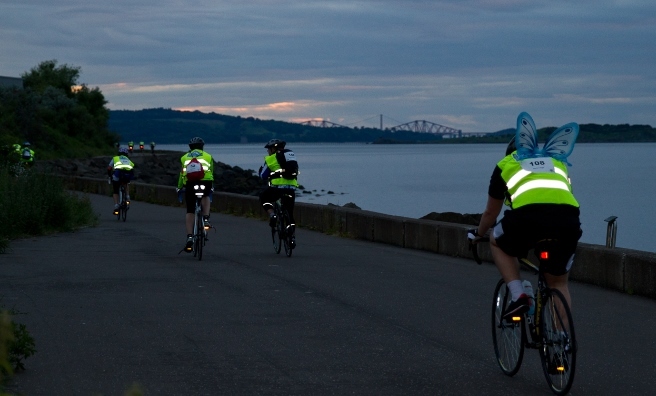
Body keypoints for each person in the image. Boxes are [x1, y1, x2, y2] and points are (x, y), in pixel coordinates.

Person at [469, 112, 582, 320]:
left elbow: (490, 213)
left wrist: (478, 234)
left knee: (496, 239)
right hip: (567, 220)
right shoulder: (557, 162)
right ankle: (562, 345)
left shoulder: (506, 165)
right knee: (558, 283)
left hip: (527, 219)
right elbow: (561, 196)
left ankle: (518, 294)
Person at [177, 137, 214, 252]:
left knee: (190, 210)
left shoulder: (184, 158)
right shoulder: (208, 156)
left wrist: (179, 187)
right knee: (206, 195)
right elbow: (211, 171)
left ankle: (189, 237)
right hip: (205, 182)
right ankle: (206, 218)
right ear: (202, 146)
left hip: (190, 184)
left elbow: (182, 174)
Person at [258, 139, 299, 245]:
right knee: (290, 213)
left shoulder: (271, 159)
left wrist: (262, 170)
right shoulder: (290, 156)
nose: (267, 151)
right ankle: (292, 238)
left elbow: (263, 175)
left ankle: (272, 215)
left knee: (264, 198)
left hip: (277, 188)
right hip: (291, 188)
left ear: (273, 149)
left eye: (268, 149)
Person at [107, 147, 135, 214]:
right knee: (126, 183)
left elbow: (109, 168)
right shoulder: (128, 159)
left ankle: (116, 205)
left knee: (115, 191)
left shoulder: (115, 158)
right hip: (127, 175)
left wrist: (110, 176)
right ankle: (128, 196)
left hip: (118, 174)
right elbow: (132, 168)